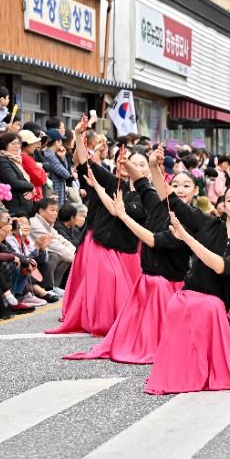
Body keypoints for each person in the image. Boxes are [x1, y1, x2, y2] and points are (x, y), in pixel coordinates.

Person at [65, 151, 191, 363]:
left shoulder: (194, 217)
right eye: (176, 185)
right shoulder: (145, 197)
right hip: (149, 270)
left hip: (164, 274)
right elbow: (136, 188)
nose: (180, 189)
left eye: (187, 185)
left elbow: (152, 237)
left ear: (196, 190)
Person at [144, 182, 230, 395]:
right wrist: (155, 168)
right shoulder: (208, 225)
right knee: (188, 302)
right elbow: (170, 200)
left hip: (213, 310)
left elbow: (221, 266)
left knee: (209, 305)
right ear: (223, 206)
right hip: (185, 301)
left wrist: (186, 237)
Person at [45, 124, 144, 336]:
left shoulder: (149, 195)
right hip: (101, 240)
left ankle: (118, 319)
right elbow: (85, 164)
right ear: (119, 163)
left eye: (140, 164)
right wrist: (79, 136)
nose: (132, 166)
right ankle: (99, 319)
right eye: (128, 161)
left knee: (125, 291)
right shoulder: (111, 181)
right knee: (107, 280)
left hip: (128, 248)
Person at [29, 197, 75, 296]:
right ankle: (46, 287)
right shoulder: (34, 223)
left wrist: (78, 254)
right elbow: (54, 245)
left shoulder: (49, 226)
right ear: (41, 211)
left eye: (57, 211)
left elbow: (63, 241)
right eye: (52, 210)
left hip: (41, 256)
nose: (55, 213)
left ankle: (54, 286)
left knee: (63, 256)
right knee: (55, 255)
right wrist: (76, 259)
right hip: (31, 257)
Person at [0, 132, 35, 217]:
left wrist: (30, 189)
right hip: (13, 208)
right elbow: (13, 182)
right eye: (13, 144)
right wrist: (31, 186)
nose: (17, 146)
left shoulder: (15, 160)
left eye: (18, 143)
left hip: (22, 206)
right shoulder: (2, 160)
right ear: (4, 145)